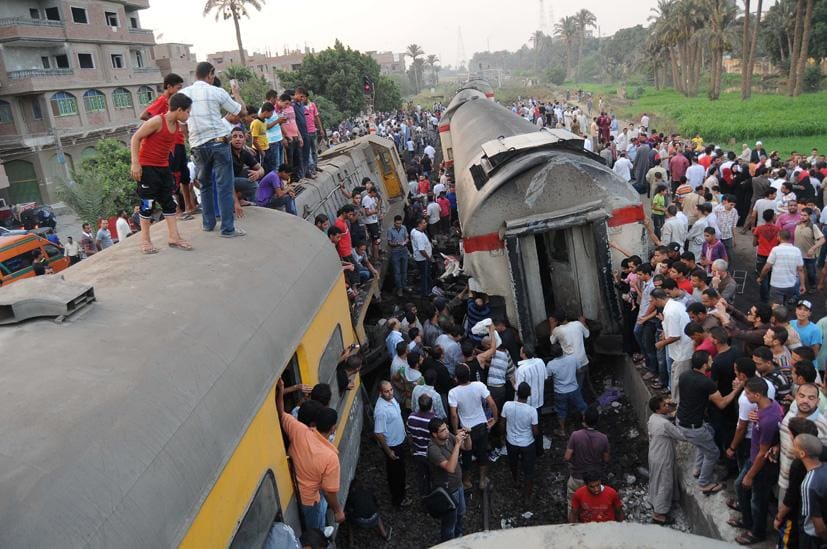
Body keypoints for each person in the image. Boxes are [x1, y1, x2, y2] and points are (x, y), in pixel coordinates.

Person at [180, 61, 247, 238]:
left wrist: (192, 139)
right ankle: (227, 229)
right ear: (210, 74)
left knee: (205, 185)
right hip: (218, 143)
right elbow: (242, 111)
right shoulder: (216, 91)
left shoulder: (183, 93)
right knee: (224, 186)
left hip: (197, 147)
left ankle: (208, 224)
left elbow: (181, 123)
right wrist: (236, 93)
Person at [129, 93, 194, 254]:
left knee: (169, 202)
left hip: (163, 168)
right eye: (188, 111)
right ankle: (145, 241)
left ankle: (174, 237)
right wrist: (135, 164)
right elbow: (135, 138)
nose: (189, 115)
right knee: (147, 204)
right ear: (179, 110)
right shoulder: (157, 121)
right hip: (147, 168)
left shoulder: (177, 125)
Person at [275, 380, 344, 530]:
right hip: (309, 498)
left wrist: (281, 391)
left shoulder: (299, 430)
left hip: (291, 484)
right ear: (333, 429)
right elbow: (328, 491)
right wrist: (338, 511)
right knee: (314, 526)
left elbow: (281, 413)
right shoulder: (330, 457)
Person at [677, 350, 742, 495]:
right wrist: (737, 390)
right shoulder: (707, 383)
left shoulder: (684, 376)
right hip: (693, 426)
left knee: (708, 435)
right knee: (713, 452)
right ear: (704, 364)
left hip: (682, 420)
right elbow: (722, 403)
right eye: (710, 360)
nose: (713, 362)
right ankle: (704, 483)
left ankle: (698, 468)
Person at [730, 376, 783, 545]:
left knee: (757, 500)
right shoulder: (771, 406)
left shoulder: (768, 420)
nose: (746, 396)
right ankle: (747, 520)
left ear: (758, 395)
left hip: (761, 465)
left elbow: (763, 452)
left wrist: (751, 475)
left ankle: (757, 531)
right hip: (753, 458)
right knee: (740, 486)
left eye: (748, 393)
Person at [449, 363, 498, 490]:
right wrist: (495, 419)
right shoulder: (479, 385)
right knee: (482, 453)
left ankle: (467, 481)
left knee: (466, 455)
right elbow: (492, 403)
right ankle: (482, 481)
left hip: (466, 429)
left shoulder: (453, 392)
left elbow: (454, 415)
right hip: (481, 425)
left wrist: (455, 430)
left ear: (456, 378)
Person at [427, 418, 471, 542]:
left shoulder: (448, 437)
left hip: (458, 484)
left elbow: (467, 448)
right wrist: (457, 444)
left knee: (461, 513)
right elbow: (450, 468)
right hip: (448, 490)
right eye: (443, 430)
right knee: (449, 523)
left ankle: (459, 536)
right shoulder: (433, 449)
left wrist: (467, 437)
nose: (447, 431)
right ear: (434, 434)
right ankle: (448, 543)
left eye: (446, 428)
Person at [647, 395, 686, 525]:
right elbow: (681, 436)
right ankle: (659, 514)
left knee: (657, 480)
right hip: (663, 456)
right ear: (658, 410)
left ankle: (657, 502)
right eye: (664, 405)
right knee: (665, 482)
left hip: (654, 453)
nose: (667, 406)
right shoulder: (664, 424)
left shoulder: (653, 418)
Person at [374, 381, 410, 507]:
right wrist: (389, 451)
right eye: (386, 391)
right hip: (393, 445)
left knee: (399, 470)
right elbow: (378, 433)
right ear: (380, 393)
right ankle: (398, 499)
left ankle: (401, 486)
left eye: (391, 390)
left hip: (399, 440)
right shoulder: (381, 411)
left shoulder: (392, 400)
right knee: (395, 473)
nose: (390, 393)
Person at [501, 382, 539, 498]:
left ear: (517, 393)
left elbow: (502, 424)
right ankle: (527, 495)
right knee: (529, 470)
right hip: (527, 443)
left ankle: (515, 481)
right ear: (529, 395)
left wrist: (502, 436)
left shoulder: (507, 405)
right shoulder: (532, 411)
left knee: (513, 463)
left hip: (511, 441)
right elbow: (535, 431)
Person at [564, 406, 610, 501]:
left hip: (577, 476)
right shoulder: (603, 438)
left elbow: (567, 457)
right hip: (593, 479)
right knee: (592, 502)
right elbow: (606, 459)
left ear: (584, 420)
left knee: (572, 503)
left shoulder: (575, 435)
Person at [758, 229, 806, 305]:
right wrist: (802, 285)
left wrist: (761, 278)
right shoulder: (797, 250)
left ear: (779, 238)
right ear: (789, 238)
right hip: (790, 285)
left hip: (777, 285)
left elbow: (767, 268)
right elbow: (800, 270)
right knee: (784, 304)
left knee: (776, 308)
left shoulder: (776, 250)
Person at [796, 433, 827, 548]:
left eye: (794, 446)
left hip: (813, 539)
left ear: (802, 453)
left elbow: (819, 527)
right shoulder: (825, 467)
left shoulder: (809, 485)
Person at [407, 393, 437, 497]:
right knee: (434, 476)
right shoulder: (434, 420)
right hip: (431, 454)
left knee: (422, 476)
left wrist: (412, 447)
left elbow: (410, 435)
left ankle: (425, 496)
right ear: (431, 406)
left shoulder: (411, 418)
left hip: (418, 452)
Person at [387, 215, 409, 296]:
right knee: (397, 272)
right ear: (394, 222)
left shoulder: (404, 228)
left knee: (404, 270)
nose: (398, 225)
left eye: (400, 223)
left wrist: (405, 241)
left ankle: (404, 286)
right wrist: (396, 244)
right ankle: (399, 288)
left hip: (404, 251)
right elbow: (389, 243)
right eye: (397, 223)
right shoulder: (390, 230)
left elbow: (407, 237)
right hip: (395, 252)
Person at [411, 218, 432, 298]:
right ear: (419, 224)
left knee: (425, 274)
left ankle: (427, 289)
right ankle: (425, 292)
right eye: (424, 223)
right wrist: (428, 258)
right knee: (424, 275)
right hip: (422, 259)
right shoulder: (419, 235)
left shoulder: (414, 231)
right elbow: (421, 250)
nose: (426, 223)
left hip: (418, 257)